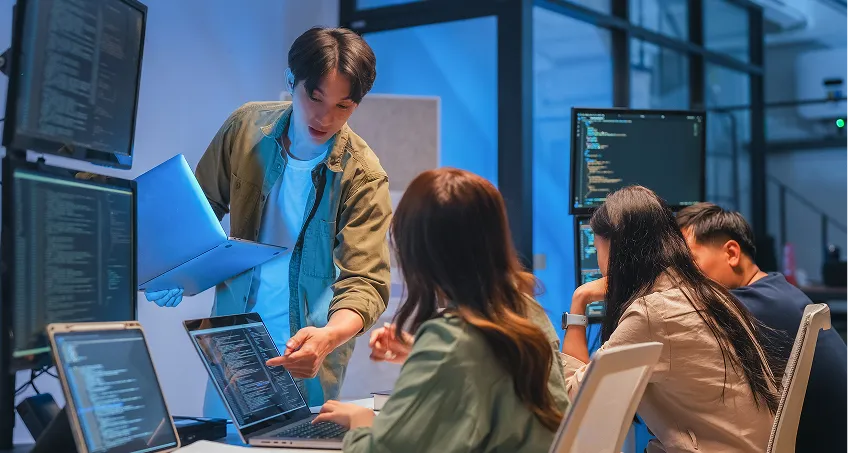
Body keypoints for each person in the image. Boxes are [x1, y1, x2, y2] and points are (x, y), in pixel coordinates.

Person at [144, 27, 392, 410]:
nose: (325, 117)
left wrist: (328, 336)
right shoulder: (245, 129)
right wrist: (171, 270)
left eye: (343, 106)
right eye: (315, 97)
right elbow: (200, 213)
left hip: (309, 355)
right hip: (232, 346)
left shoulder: (364, 176)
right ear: (291, 80)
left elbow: (366, 283)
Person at [307, 168, 570, 452]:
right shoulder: (526, 311)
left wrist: (362, 424)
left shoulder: (451, 343)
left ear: (418, 253)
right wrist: (421, 353)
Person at [561, 186, 782, 453]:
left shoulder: (653, 314)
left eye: (597, 247)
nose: (598, 264)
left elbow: (574, 402)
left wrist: (579, 300)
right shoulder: (709, 293)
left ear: (615, 250)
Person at [677, 202, 848, 452]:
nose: (680, 276)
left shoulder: (753, 305)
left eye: (688, 261)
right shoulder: (775, 291)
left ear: (732, 253)